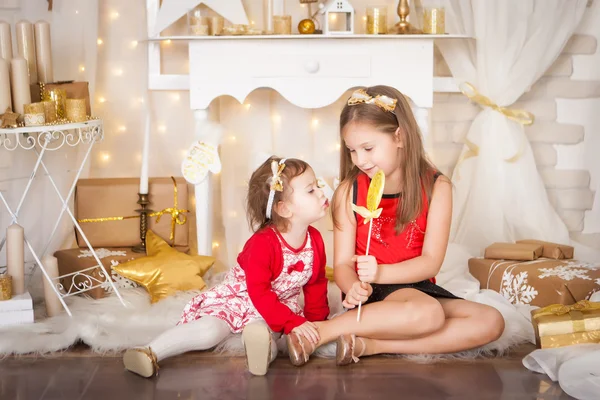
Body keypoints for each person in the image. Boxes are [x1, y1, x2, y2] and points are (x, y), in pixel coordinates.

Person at [286, 86, 505, 367]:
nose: (360, 160)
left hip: (418, 286)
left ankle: (370, 345)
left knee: (490, 321)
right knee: (430, 315)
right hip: (373, 290)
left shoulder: (437, 187)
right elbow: (341, 264)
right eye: (352, 150)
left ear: (399, 137)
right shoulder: (348, 191)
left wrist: (383, 270)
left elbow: (430, 263)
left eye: (368, 148)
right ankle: (320, 332)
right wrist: (352, 286)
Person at [123, 156, 330, 377]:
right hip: (241, 298)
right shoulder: (263, 243)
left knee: (272, 332)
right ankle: (149, 352)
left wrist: (316, 324)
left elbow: (316, 283)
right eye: (311, 190)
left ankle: (258, 347)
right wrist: (292, 321)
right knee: (211, 331)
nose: (321, 191)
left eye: (317, 185)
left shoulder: (314, 240)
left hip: (275, 305)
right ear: (284, 208)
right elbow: (259, 292)